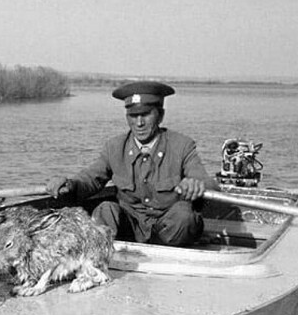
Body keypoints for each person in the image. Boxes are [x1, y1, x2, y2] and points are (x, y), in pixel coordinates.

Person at [46, 81, 219, 247]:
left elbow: (208, 182)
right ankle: (105, 252)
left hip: (170, 232)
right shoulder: (114, 147)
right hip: (129, 229)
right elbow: (90, 179)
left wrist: (197, 185)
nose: (139, 123)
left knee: (184, 215)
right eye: (133, 116)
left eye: (145, 114)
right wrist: (69, 184)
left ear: (160, 115)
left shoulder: (182, 146)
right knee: (105, 209)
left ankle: (160, 250)